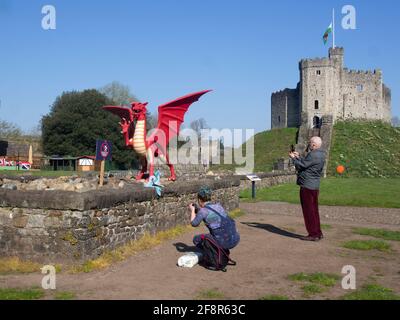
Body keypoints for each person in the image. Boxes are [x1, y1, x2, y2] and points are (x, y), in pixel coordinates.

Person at [289, 136, 326, 241]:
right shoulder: (321, 154)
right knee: (314, 210)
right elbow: (307, 164)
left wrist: (293, 158)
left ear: (314, 144)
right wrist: (298, 156)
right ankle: (318, 232)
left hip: (307, 185)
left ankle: (313, 234)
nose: (309, 145)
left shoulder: (313, 154)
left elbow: (301, 166)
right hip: (314, 186)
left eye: (310, 143)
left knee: (308, 211)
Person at [189, 186, 240, 253]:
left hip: (223, 243)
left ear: (199, 199)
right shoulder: (218, 206)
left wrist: (192, 210)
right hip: (235, 239)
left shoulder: (203, 211)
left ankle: (212, 255)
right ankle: (219, 251)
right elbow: (211, 214)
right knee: (215, 234)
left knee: (196, 239)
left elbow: (194, 223)